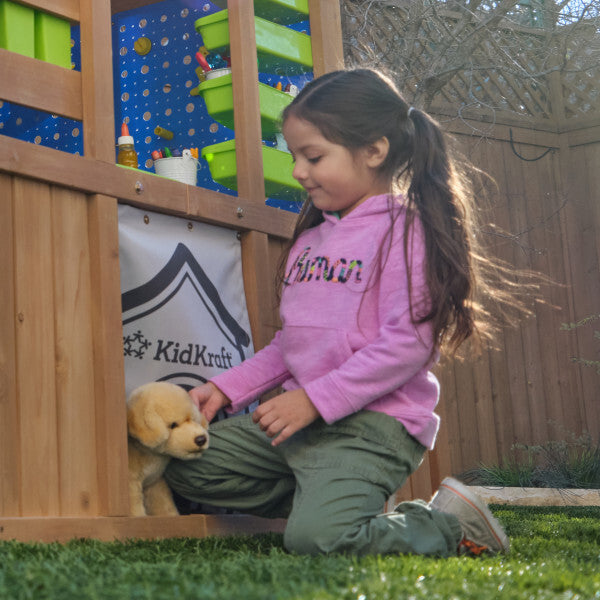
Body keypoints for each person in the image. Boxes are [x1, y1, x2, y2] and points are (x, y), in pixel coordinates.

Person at [165, 68, 514, 557]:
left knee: (317, 539)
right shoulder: (310, 240)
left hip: (370, 428)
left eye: (313, 157)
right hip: (299, 426)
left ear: (374, 151)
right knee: (181, 464)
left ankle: (450, 527)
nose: (298, 172)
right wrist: (226, 388)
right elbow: (291, 344)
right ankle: (329, 497)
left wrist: (314, 400)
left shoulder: (406, 231)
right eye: (294, 157)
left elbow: (408, 346)